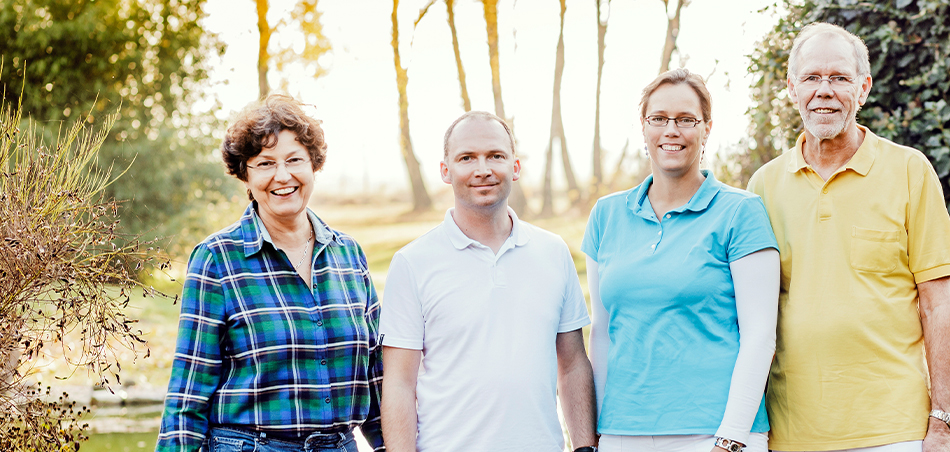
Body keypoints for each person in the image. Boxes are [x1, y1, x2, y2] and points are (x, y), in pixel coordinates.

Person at [746, 22, 950, 452]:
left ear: (862, 89)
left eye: (839, 78)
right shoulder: (763, 187)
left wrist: (941, 424)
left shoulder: (910, 171)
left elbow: (938, 307)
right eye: (811, 78)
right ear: (792, 89)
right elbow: (750, 316)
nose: (824, 90)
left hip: (895, 431)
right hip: (791, 434)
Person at [156, 95, 384, 452]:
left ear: (314, 166)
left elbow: (377, 381)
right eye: (265, 163)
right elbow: (188, 399)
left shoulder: (349, 256)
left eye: (295, 160)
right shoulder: (217, 260)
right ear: (245, 173)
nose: (283, 176)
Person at [584, 68, 781, 452]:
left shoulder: (741, 212)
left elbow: (760, 336)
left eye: (686, 120)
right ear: (643, 126)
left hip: (715, 432)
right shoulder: (606, 215)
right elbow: (602, 331)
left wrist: (732, 439)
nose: (671, 130)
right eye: (659, 119)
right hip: (623, 432)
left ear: (706, 128)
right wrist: (596, 433)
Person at [379, 111, 598, 452]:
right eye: (467, 158)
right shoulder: (412, 263)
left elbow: (572, 365)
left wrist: (585, 447)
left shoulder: (553, 252)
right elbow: (398, 385)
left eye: (495, 155)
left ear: (515, 166)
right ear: (445, 171)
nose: (483, 169)